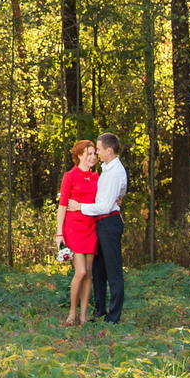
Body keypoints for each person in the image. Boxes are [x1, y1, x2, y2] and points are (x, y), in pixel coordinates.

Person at [68, 133, 129, 322]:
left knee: (113, 271)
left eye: (99, 150)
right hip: (99, 224)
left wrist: (80, 207)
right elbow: (116, 192)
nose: (97, 154)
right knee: (98, 271)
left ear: (109, 151)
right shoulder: (106, 170)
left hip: (109, 222)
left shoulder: (115, 172)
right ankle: (99, 311)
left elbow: (105, 206)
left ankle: (113, 317)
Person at [53, 139, 101, 325]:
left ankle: (83, 316)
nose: (93, 157)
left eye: (95, 154)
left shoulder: (96, 177)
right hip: (73, 228)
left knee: (88, 273)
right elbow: (62, 205)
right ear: (80, 155)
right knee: (80, 272)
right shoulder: (70, 176)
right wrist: (59, 233)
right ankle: (72, 313)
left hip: (91, 228)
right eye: (89, 154)